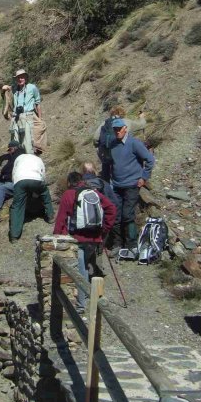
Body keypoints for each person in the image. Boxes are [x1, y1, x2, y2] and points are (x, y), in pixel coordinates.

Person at [53, 171, 116, 313]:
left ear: (69, 182)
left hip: (78, 239)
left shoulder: (68, 194)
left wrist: (58, 238)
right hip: (94, 238)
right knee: (86, 266)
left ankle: (81, 305)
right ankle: (87, 294)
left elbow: (61, 219)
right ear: (82, 181)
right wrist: (104, 229)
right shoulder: (93, 193)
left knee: (81, 270)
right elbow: (111, 208)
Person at [106, 118, 155, 254]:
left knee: (127, 214)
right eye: (115, 129)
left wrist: (144, 177)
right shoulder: (112, 144)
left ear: (125, 129)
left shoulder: (134, 143)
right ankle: (117, 244)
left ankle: (131, 244)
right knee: (116, 214)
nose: (117, 132)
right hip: (116, 185)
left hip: (132, 184)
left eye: (119, 129)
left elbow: (150, 159)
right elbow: (109, 163)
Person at [8, 150, 55, 242]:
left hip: (20, 180)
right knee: (45, 195)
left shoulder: (18, 158)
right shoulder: (38, 159)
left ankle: (14, 235)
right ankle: (50, 217)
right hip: (36, 179)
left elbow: (13, 173)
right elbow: (43, 175)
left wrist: (16, 186)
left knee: (17, 206)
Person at [2, 69, 47, 155]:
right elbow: (6, 89)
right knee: (15, 141)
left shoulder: (32, 87)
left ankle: (32, 154)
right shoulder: (14, 88)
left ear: (26, 78)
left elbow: (38, 104)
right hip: (16, 117)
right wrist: (4, 88)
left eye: (22, 77)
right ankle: (16, 157)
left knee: (28, 141)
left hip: (28, 116)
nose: (20, 79)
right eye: (18, 77)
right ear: (16, 79)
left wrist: (40, 118)